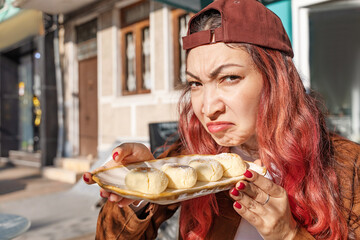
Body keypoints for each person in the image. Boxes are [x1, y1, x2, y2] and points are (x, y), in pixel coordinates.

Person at [82, 0, 360, 239]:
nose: (208, 107)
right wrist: (143, 185)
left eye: (229, 78)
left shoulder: (348, 166)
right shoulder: (192, 157)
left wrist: (288, 234)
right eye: (196, 84)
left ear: (277, 82)